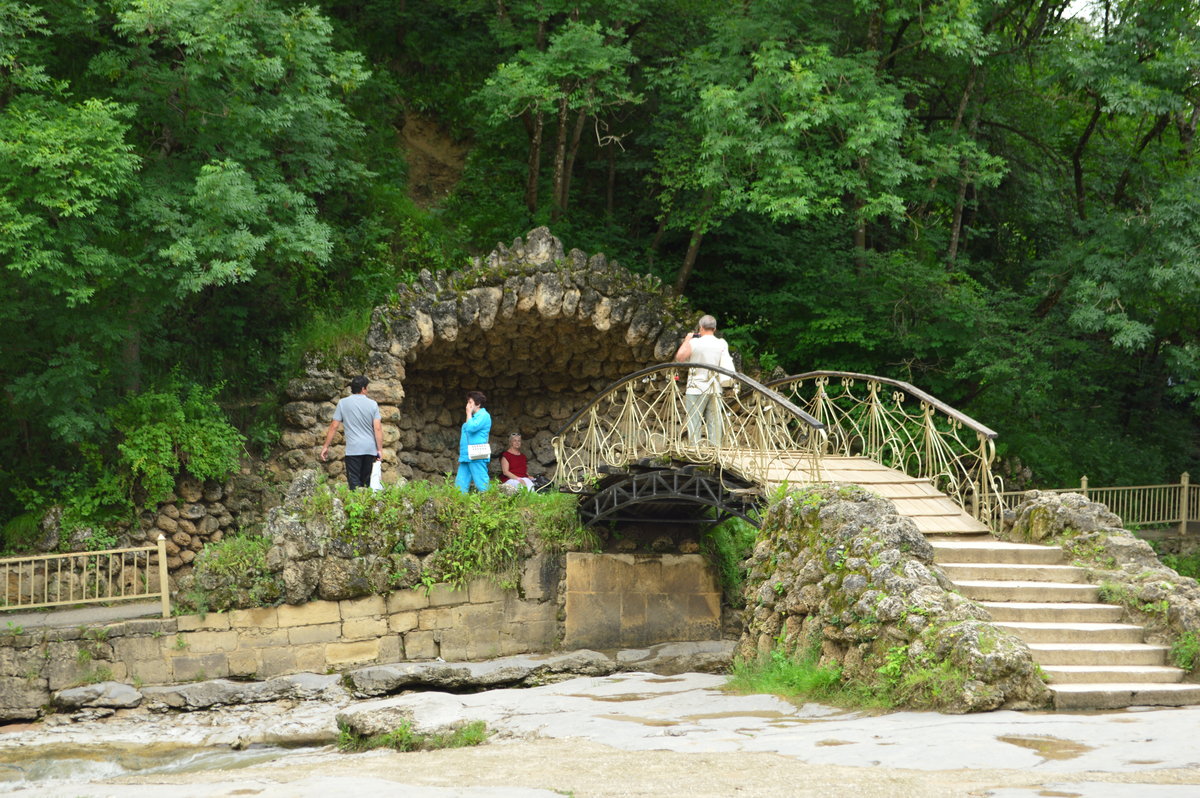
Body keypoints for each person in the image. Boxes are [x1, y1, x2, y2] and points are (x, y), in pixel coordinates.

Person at [674, 314, 735, 448]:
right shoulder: (721, 343)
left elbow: (680, 357)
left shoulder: (694, 342)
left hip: (696, 387)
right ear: (714, 328)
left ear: (701, 327)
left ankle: (695, 450)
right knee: (714, 421)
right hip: (715, 387)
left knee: (694, 420)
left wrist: (687, 340)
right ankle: (715, 451)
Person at [320, 375, 383, 489]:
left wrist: (325, 446)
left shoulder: (343, 403)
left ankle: (356, 505)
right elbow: (377, 428)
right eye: (367, 388)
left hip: (353, 450)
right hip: (370, 450)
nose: (367, 390)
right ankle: (367, 506)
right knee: (368, 484)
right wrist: (379, 450)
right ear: (363, 388)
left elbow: (334, 426)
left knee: (354, 484)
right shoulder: (373, 404)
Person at [456, 390, 492, 493]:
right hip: (466, 455)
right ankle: (460, 505)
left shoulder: (484, 415)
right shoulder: (474, 417)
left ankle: (492, 504)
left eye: (470, 402)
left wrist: (468, 413)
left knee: (482, 483)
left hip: (477, 454)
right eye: (468, 402)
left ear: (478, 404)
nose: (468, 405)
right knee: (460, 485)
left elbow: (471, 428)